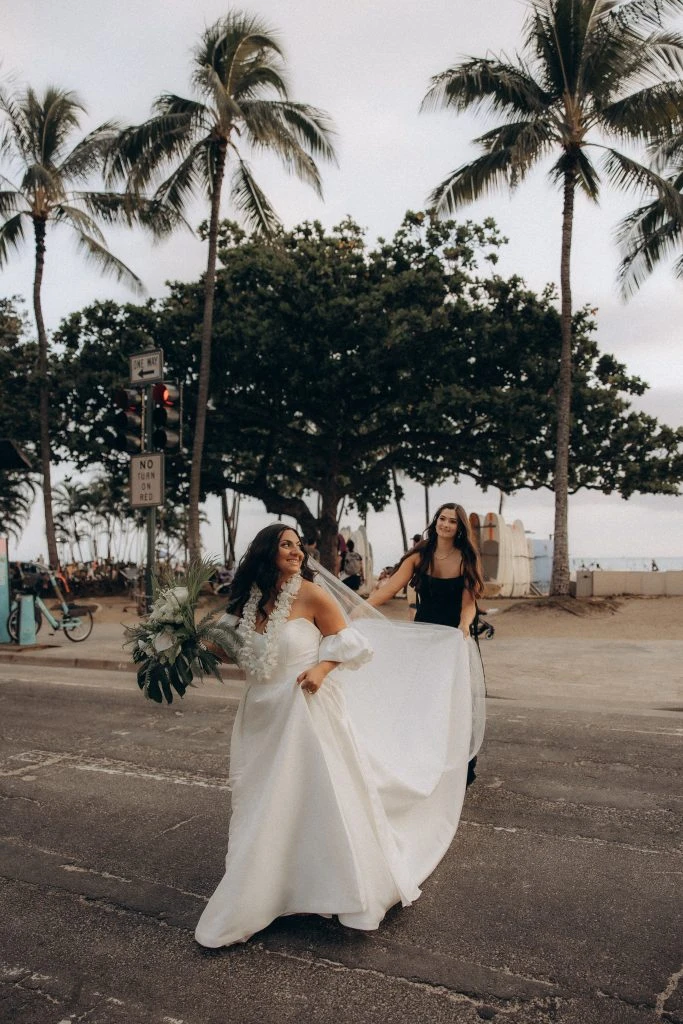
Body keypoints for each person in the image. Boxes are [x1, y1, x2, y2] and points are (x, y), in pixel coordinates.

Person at [194, 522, 478, 949]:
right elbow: (224, 651)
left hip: (306, 711)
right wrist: (178, 644)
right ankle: (273, 880)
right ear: (265, 553)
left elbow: (353, 643)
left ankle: (297, 890)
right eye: (285, 545)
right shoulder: (246, 603)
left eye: (298, 545)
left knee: (305, 797)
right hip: (261, 716)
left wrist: (322, 669)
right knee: (261, 800)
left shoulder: (311, 593)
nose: (295, 552)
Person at [365, 502, 485, 787]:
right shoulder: (420, 555)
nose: (445, 525)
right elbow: (391, 588)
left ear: (460, 528)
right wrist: (360, 608)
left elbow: (469, 604)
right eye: (442, 519)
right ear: (435, 522)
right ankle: (420, 757)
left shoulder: (467, 558)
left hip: (456, 636)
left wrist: (465, 626)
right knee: (422, 699)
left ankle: (458, 766)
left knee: (456, 701)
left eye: (452, 521)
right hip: (425, 636)